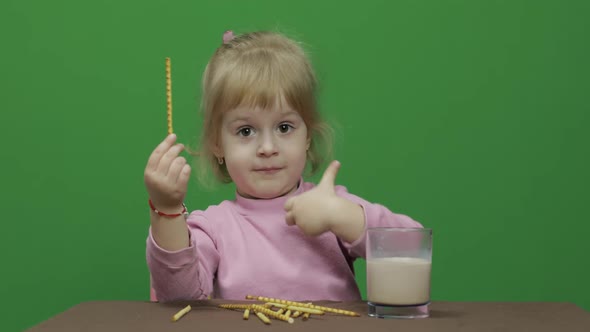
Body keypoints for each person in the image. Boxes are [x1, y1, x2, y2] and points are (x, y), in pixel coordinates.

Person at [144, 30, 422, 303]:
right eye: (245, 131)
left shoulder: (329, 206)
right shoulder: (214, 228)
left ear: (307, 136)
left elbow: (413, 247)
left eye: (284, 127)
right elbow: (180, 297)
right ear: (218, 143)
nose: (267, 147)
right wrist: (166, 209)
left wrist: (343, 216)